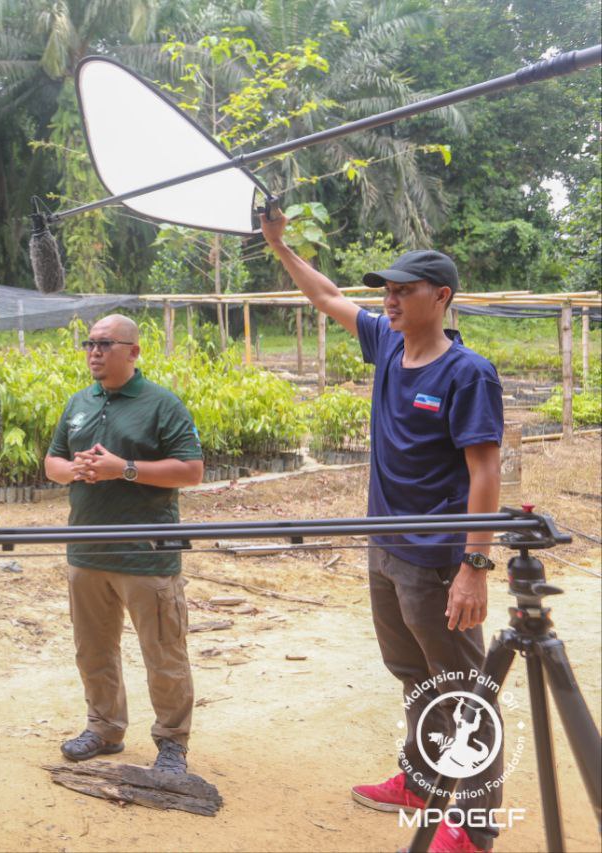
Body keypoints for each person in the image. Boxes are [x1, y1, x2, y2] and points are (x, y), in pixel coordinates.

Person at [261, 211, 504, 853]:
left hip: (434, 559)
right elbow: (326, 295)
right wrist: (278, 245)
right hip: (384, 548)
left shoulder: (466, 373)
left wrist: (473, 568)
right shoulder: (388, 342)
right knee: (412, 674)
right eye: (386, 291)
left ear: (441, 297)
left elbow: (486, 473)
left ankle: (475, 830)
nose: (387, 300)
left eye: (402, 291)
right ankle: (423, 781)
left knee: (463, 690)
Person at [43, 314, 205, 775]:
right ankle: (104, 728)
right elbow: (52, 461)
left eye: (105, 344)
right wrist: (74, 469)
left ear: (132, 352)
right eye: (89, 344)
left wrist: (124, 468)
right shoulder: (79, 402)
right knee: (93, 649)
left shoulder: (161, 404)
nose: (94, 352)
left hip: (145, 554)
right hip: (87, 551)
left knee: (164, 652)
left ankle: (172, 743)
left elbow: (191, 471)